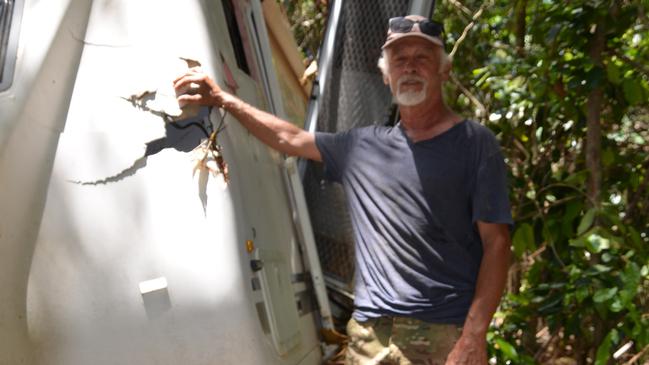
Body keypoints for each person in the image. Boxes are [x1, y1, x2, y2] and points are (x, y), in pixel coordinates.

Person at [174, 14, 513, 365]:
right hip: (370, 337)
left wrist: (474, 334)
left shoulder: (475, 144)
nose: (409, 68)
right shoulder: (360, 147)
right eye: (400, 60)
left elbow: (497, 244)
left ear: (444, 69)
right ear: (386, 74)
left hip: (444, 336)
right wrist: (223, 99)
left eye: (422, 58)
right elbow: (289, 137)